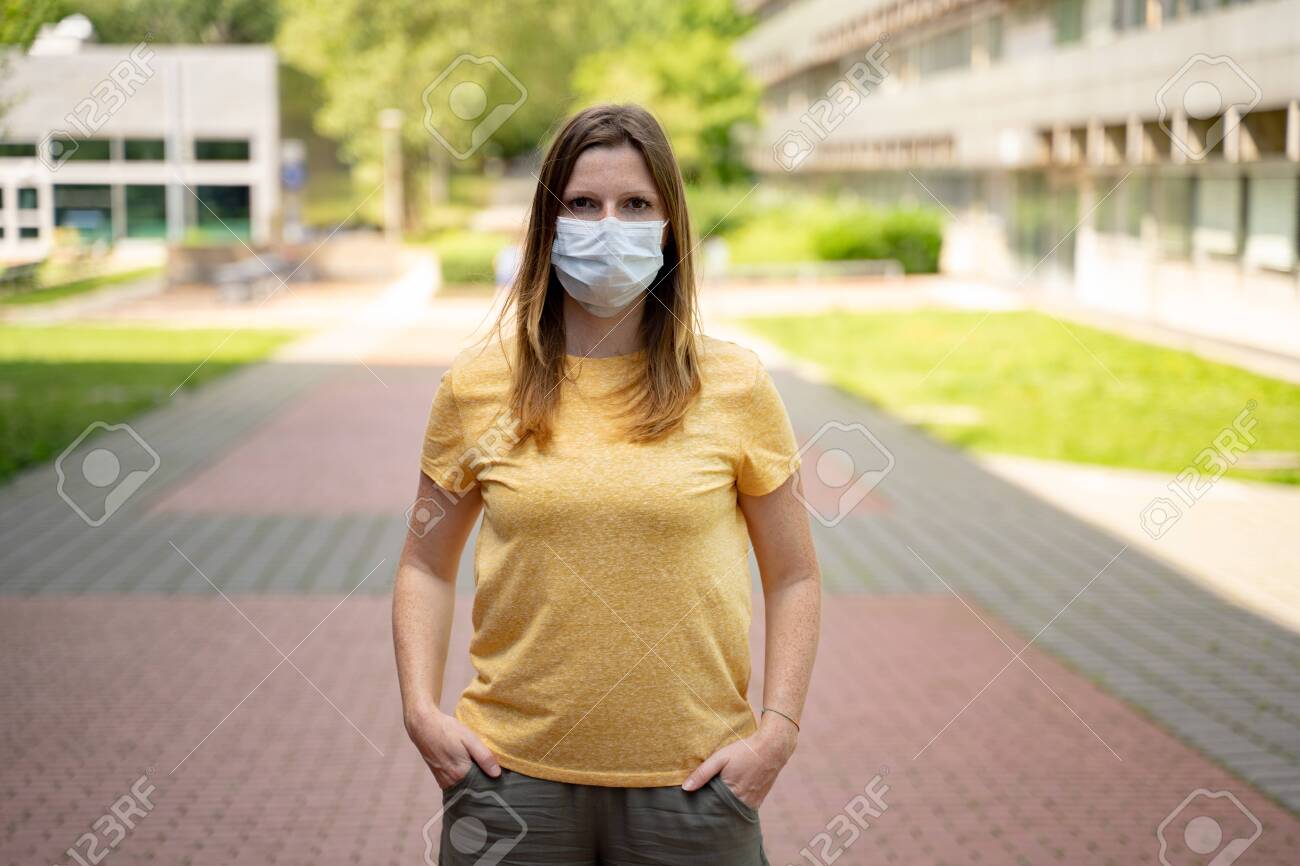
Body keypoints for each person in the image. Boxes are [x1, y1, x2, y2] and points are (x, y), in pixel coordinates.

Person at [393, 103, 821, 866]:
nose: (608, 226)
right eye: (584, 204)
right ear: (548, 223)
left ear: (669, 226)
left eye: (636, 205)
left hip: (696, 787)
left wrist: (778, 732)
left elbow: (794, 575)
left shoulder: (735, 385)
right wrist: (421, 712)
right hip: (507, 784)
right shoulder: (478, 385)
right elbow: (425, 563)